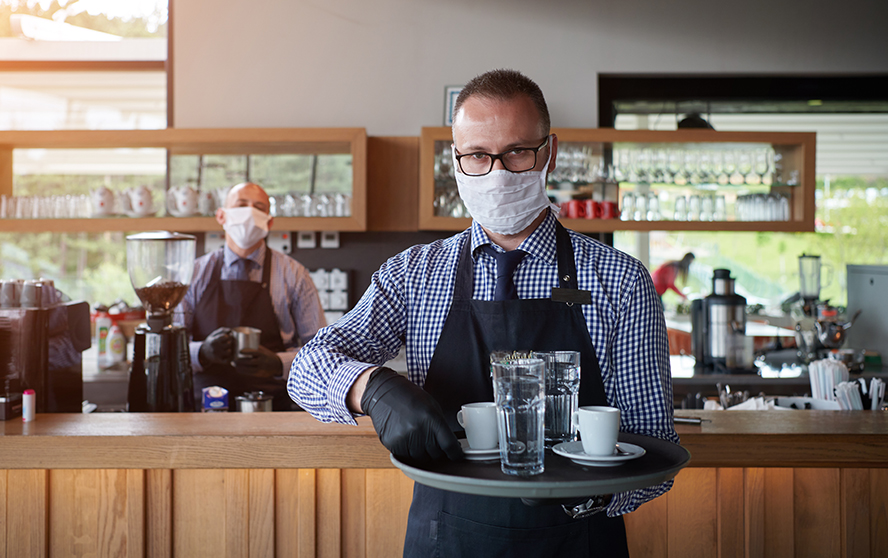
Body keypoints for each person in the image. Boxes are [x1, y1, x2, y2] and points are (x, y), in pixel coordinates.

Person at [288, 69, 678, 556]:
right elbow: (307, 366)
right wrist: (372, 389)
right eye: (476, 155)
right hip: (446, 536)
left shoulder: (621, 281)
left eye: (516, 151)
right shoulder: (414, 274)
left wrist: (589, 494)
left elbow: (655, 440)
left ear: (549, 153)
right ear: (455, 160)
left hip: (579, 536)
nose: (496, 172)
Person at [177, 182, 326, 411]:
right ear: (221, 215)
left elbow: (321, 351)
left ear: (269, 221)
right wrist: (202, 353)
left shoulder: (294, 275)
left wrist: (279, 363)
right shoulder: (194, 273)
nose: (249, 213)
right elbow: (170, 348)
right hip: (204, 410)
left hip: (275, 409)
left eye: (258, 207)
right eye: (241, 205)